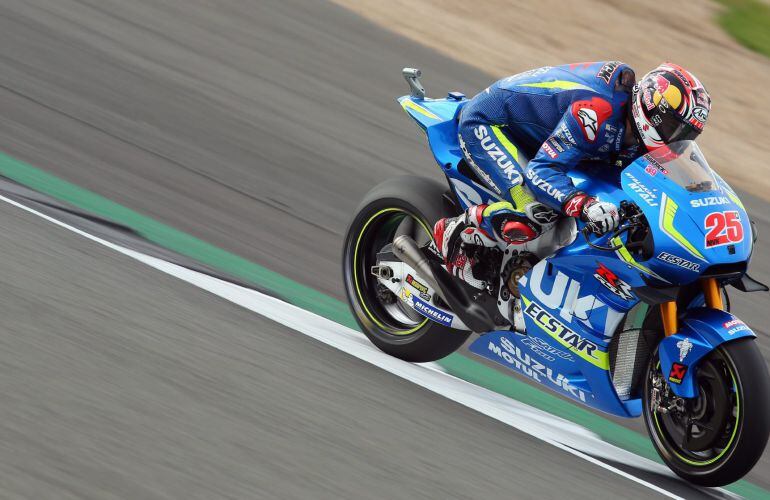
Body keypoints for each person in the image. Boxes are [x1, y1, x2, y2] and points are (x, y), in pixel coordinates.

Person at [434, 61, 712, 289]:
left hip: (542, 140)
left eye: (687, 135)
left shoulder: (635, 127)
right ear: (654, 112)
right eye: (676, 128)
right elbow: (541, 172)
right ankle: (456, 232)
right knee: (536, 209)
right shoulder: (597, 111)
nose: (678, 139)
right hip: (490, 124)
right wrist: (585, 205)